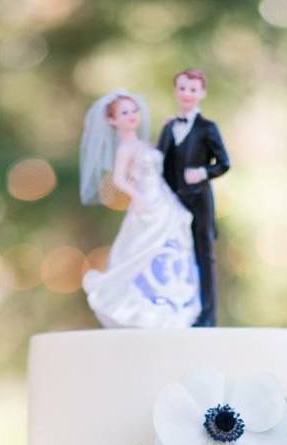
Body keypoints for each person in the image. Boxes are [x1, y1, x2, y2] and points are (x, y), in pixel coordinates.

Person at [79, 90, 201, 329]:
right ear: (113, 120)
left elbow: (156, 159)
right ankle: (143, 309)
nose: (132, 116)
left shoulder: (141, 144)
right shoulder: (125, 149)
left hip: (163, 201)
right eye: (125, 112)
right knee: (141, 250)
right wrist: (138, 197)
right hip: (147, 203)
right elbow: (119, 179)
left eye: (134, 111)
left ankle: (171, 306)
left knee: (172, 246)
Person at [157, 68, 230, 327]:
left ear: (202, 94)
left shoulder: (208, 128)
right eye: (182, 88)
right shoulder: (168, 128)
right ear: (176, 91)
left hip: (199, 202)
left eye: (193, 89)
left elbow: (224, 163)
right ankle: (177, 309)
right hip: (171, 204)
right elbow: (159, 163)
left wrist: (202, 172)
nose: (187, 94)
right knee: (174, 256)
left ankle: (207, 316)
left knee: (204, 256)